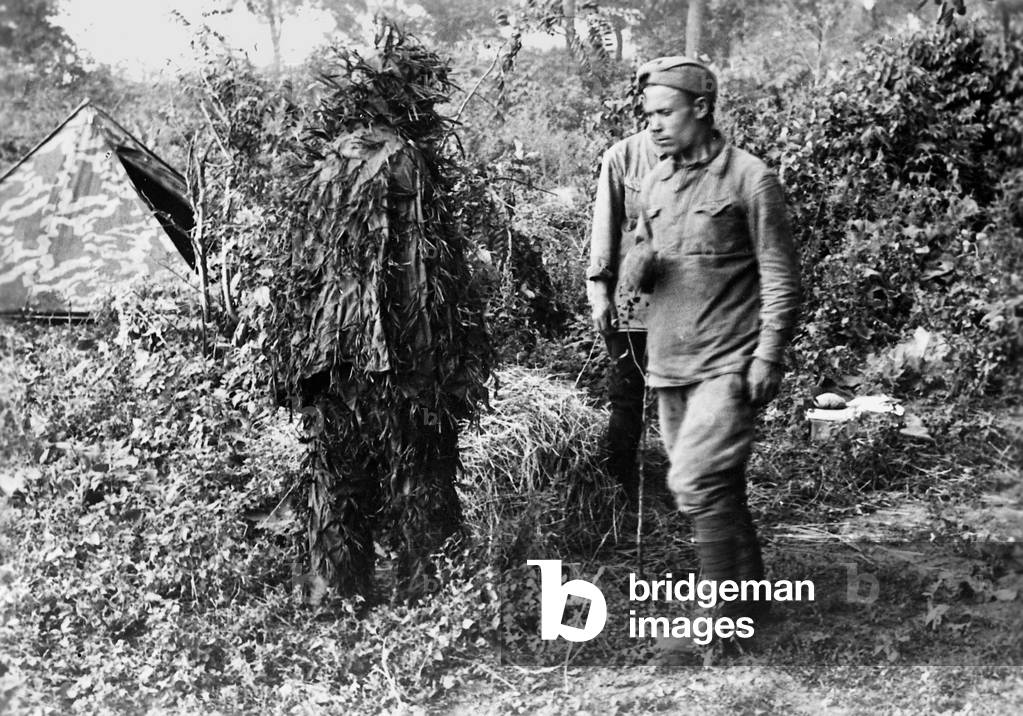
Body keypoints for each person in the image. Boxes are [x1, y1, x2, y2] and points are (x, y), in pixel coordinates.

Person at [621, 56, 800, 634]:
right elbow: (643, 257)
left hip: (729, 361)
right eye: (648, 115)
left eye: (664, 113)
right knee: (717, 485)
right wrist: (639, 263)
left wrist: (768, 354)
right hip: (669, 362)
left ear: (700, 108)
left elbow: (780, 275)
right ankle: (751, 605)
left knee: (694, 480)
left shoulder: (750, 179)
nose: (653, 125)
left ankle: (719, 620)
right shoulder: (654, 181)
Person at [586, 128, 661, 508]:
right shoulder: (623, 157)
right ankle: (619, 497)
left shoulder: (704, 154)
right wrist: (599, 294)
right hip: (630, 305)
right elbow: (604, 228)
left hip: (684, 305)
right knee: (626, 398)